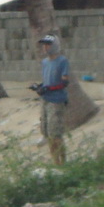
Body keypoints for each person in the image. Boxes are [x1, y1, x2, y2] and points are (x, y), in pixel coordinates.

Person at [29, 34, 69, 165]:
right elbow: (47, 80)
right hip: (45, 100)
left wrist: (49, 89)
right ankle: (55, 162)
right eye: (44, 44)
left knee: (55, 134)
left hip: (56, 101)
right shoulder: (45, 62)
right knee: (47, 133)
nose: (45, 47)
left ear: (55, 45)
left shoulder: (62, 61)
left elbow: (64, 83)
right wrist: (39, 86)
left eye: (48, 44)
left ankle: (62, 162)